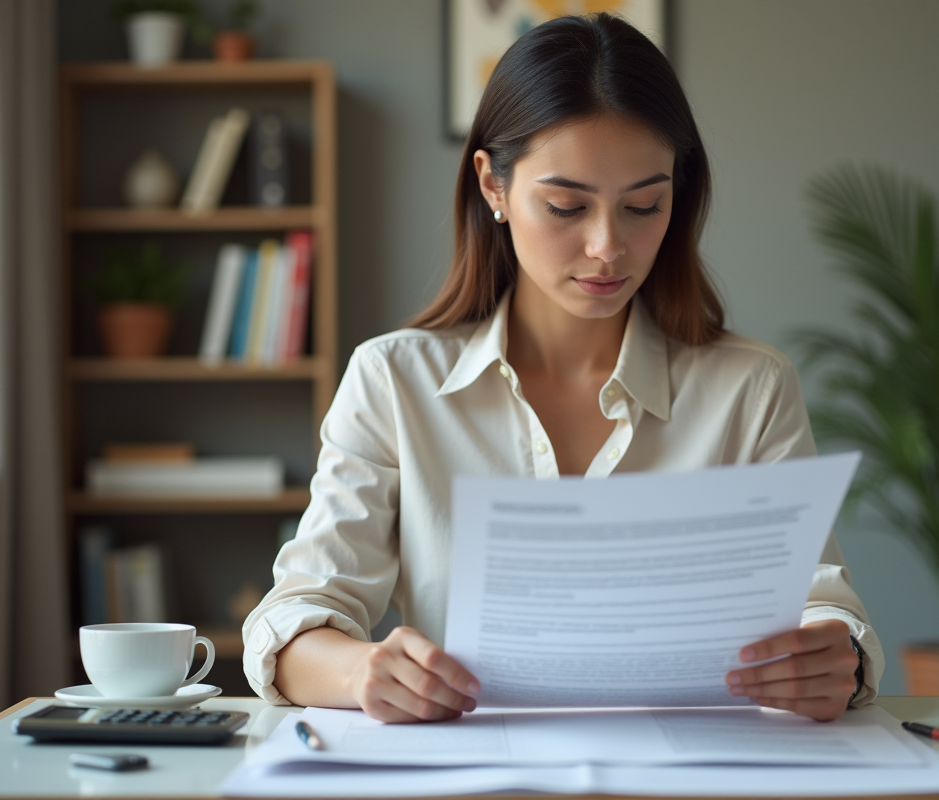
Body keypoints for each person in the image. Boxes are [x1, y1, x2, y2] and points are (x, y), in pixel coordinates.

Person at [243, 12, 883, 725]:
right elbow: (296, 622)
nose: (609, 247)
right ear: (492, 186)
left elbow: (822, 601)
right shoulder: (393, 382)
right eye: (566, 206)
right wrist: (364, 669)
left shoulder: (751, 389)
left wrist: (836, 658)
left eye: (645, 205)